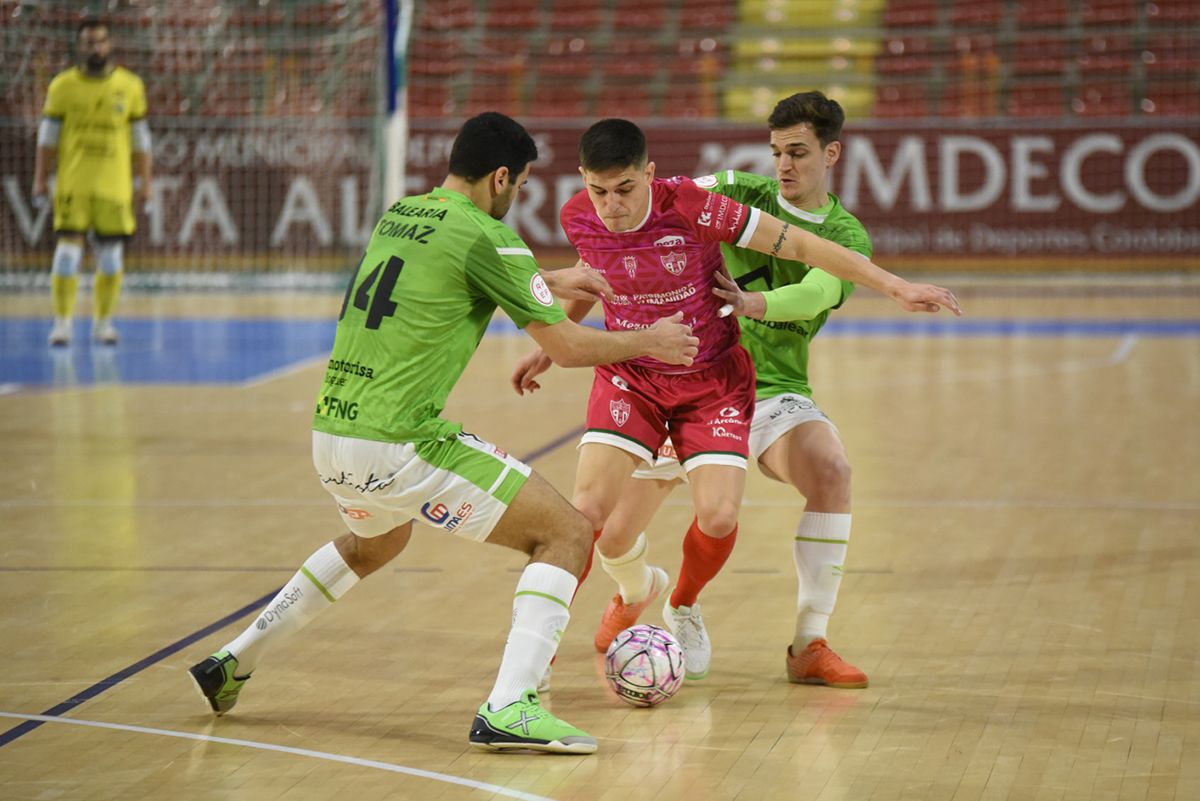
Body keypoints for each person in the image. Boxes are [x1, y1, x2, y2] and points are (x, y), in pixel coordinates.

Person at [187, 112, 699, 756]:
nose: (516, 200)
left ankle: (233, 660)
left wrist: (554, 280)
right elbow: (565, 347)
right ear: (502, 177)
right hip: (401, 443)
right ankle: (511, 705)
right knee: (567, 532)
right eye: (518, 187)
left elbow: (455, 272)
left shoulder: (401, 213)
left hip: (333, 433)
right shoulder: (489, 237)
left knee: (375, 543)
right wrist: (653, 339)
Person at [511, 118, 960, 682]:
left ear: (648, 175)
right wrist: (552, 348)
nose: (613, 206)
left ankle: (683, 605)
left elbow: (801, 246)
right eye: (599, 190)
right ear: (582, 180)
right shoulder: (578, 214)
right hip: (632, 378)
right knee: (590, 520)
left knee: (720, 516)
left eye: (625, 189)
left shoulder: (697, 206)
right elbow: (592, 281)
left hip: (712, 383)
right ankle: (538, 658)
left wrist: (896, 286)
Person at [587, 92, 894, 690]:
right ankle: (635, 589)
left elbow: (813, 294)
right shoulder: (733, 191)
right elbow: (655, 204)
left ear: (832, 153)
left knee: (831, 469)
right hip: (679, 379)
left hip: (771, 391)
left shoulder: (844, 236)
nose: (784, 164)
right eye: (777, 151)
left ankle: (801, 640)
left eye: (799, 152)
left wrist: (752, 302)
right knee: (614, 534)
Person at [33, 17, 152, 347]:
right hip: (74, 185)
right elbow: (48, 138)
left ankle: (103, 323)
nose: (95, 47)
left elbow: (141, 141)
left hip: (114, 187)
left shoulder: (130, 86)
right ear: (79, 46)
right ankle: (62, 324)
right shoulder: (62, 87)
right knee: (67, 254)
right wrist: (40, 180)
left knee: (111, 258)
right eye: (88, 42)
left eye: (100, 41)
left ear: (109, 44)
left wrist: (147, 182)